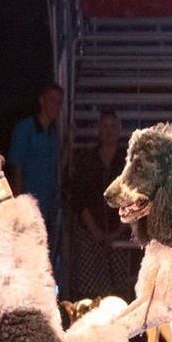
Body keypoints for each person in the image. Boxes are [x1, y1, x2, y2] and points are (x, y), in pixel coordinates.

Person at [68, 106, 133, 299]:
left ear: (119, 129)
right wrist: (95, 230)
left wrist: (118, 232)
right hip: (90, 234)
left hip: (121, 233)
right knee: (91, 291)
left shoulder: (128, 162)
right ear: (99, 129)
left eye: (113, 126)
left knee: (120, 289)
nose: (109, 130)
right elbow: (80, 199)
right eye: (105, 126)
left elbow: (134, 198)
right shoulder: (87, 160)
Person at [6, 83, 64, 266]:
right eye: (52, 100)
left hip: (48, 205)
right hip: (29, 204)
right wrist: (19, 204)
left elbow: (55, 168)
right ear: (42, 101)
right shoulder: (25, 129)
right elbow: (17, 167)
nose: (56, 106)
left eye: (59, 102)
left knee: (44, 254)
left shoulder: (53, 133)